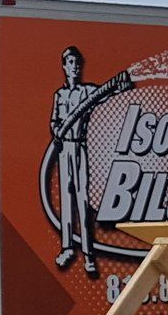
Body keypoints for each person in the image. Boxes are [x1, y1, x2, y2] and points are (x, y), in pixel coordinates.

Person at [50, 46, 133, 277]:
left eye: (77, 63)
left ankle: (88, 254)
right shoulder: (59, 95)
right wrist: (57, 131)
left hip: (81, 147)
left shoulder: (88, 91)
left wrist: (121, 85)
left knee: (82, 200)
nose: (75, 67)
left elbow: (108, 96)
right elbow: (54, 121)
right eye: (70, 63)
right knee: (66, 200)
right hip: (65, 149)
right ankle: (67, 248)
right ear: (64, 66)